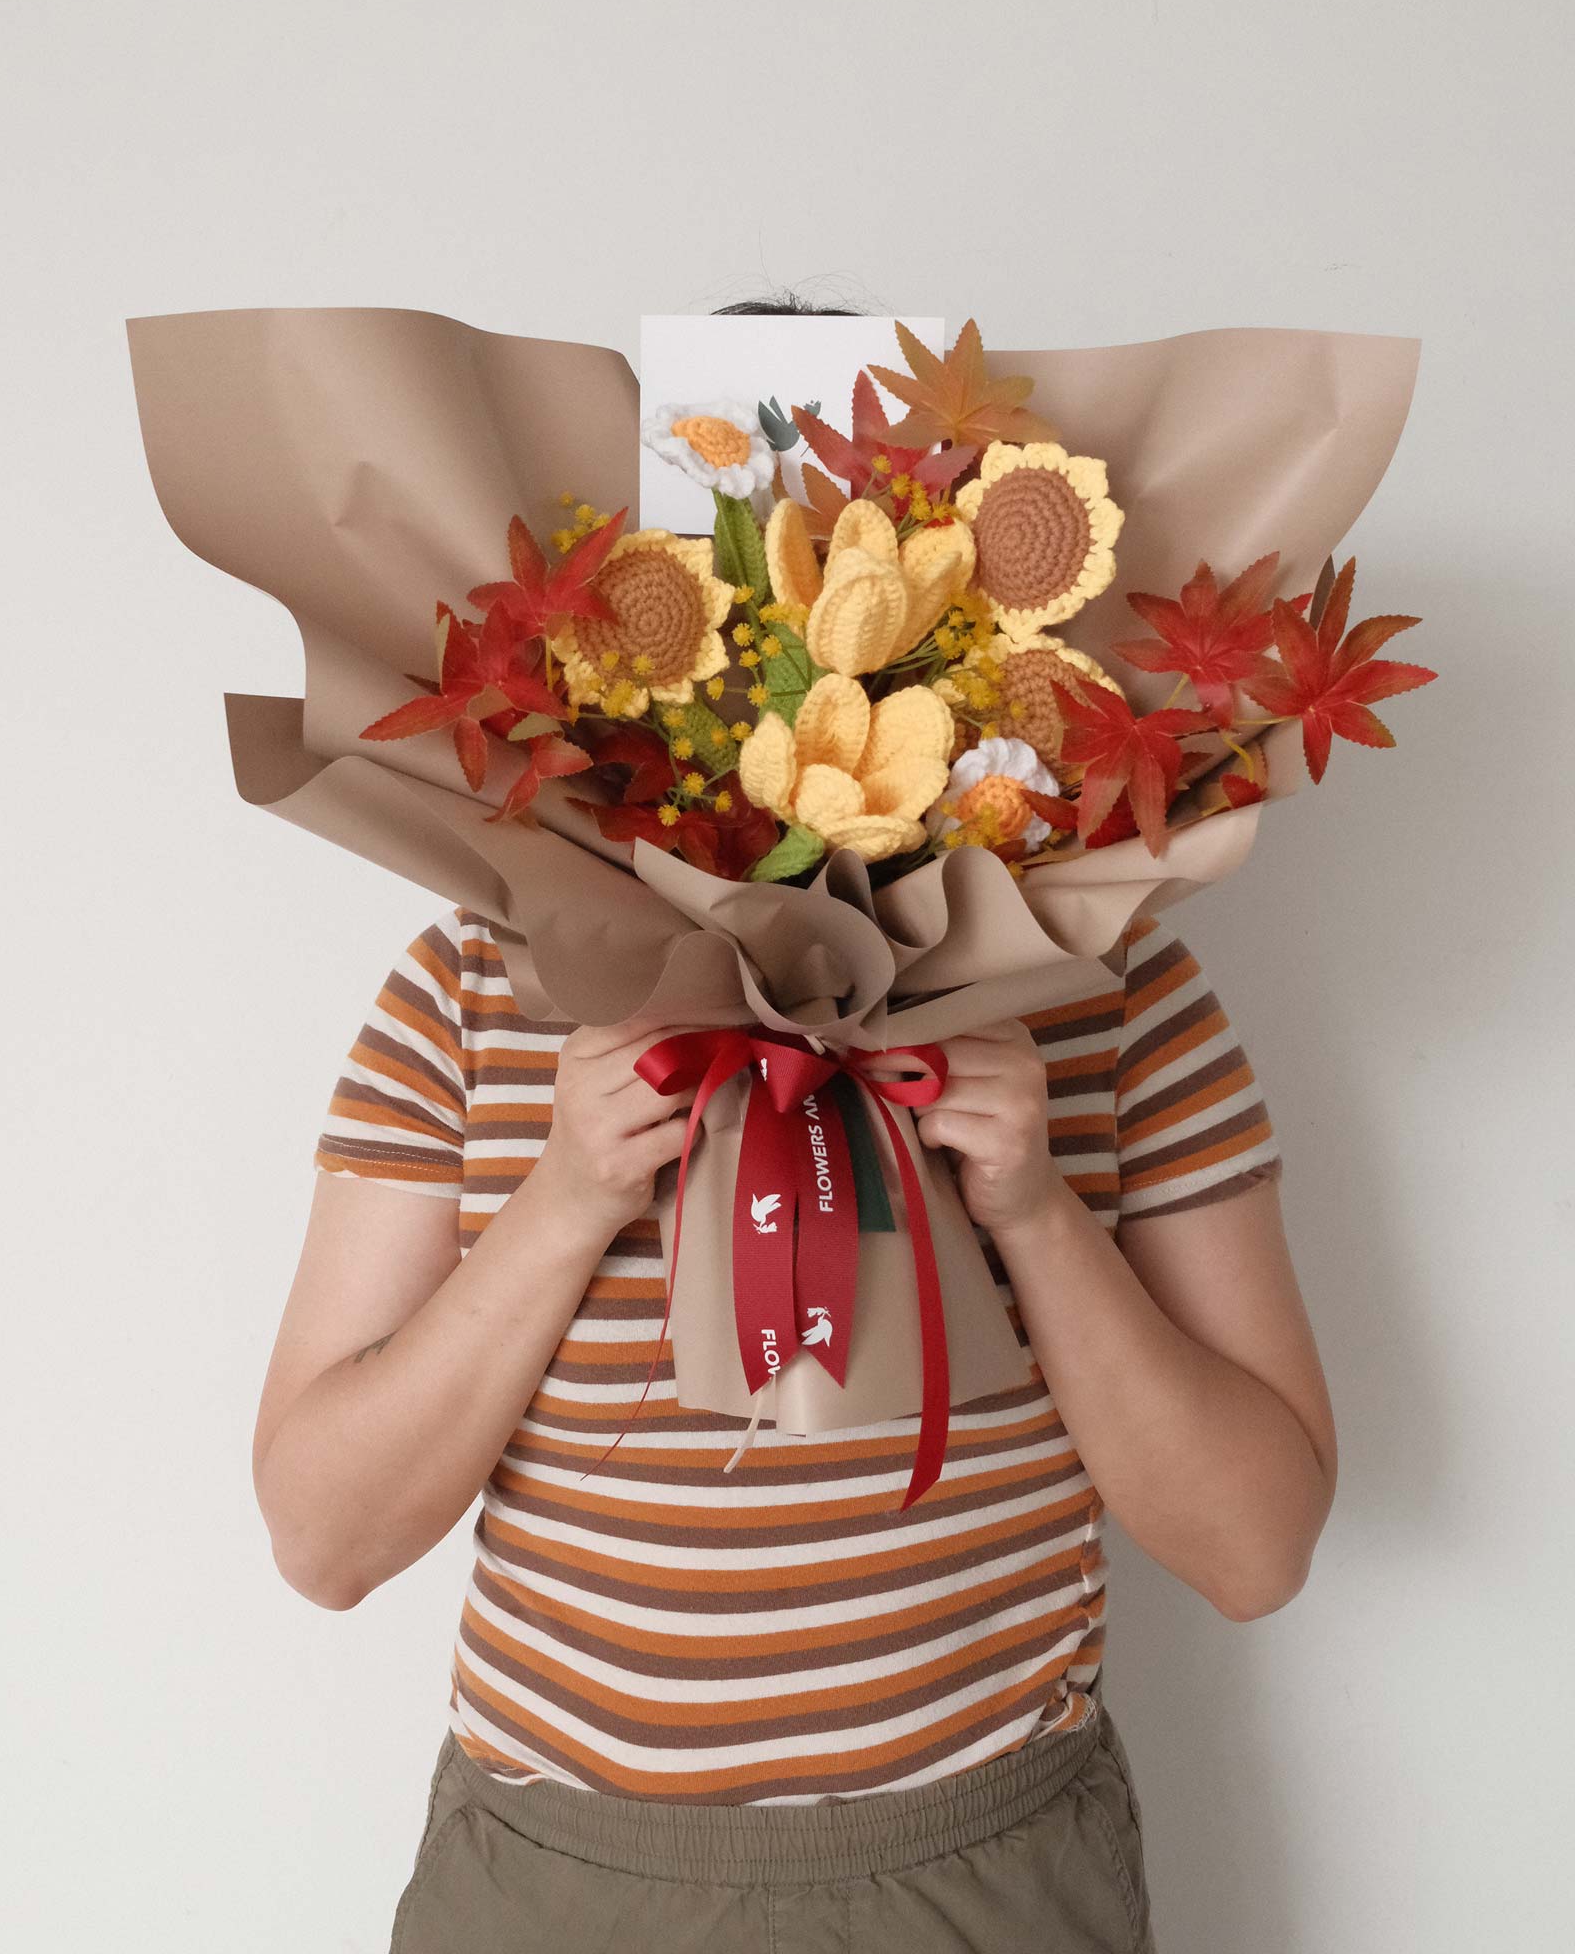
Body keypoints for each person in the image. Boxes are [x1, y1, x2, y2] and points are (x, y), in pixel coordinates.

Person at [251, 298, 1337, 1954]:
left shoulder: (1111, 996)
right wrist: (560, 1197)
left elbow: (1260, 1551)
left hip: (982, 1879)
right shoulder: (474, 988)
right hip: (555, 1886)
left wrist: (1037, 1209)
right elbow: (322, 1542)